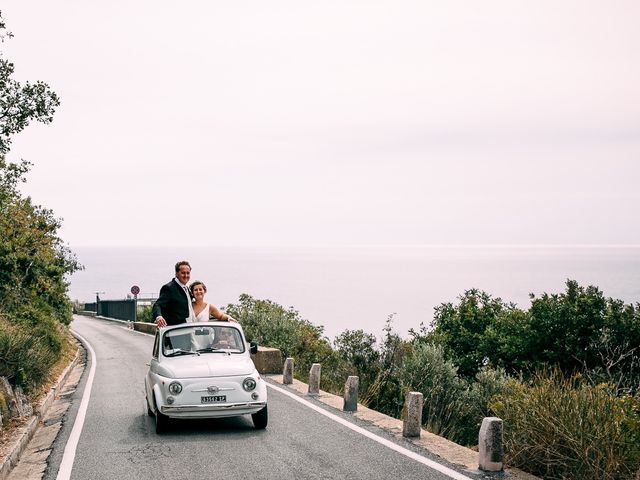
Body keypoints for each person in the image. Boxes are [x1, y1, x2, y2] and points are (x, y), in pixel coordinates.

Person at [153, 260, 194, 327]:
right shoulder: (169, 288)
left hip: (188, 329)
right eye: (183, 273)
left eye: (188, 273)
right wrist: (159, 316)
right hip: (175, 332)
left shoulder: (186, 288)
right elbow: (158, 304)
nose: (186, 275)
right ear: (176, 274)